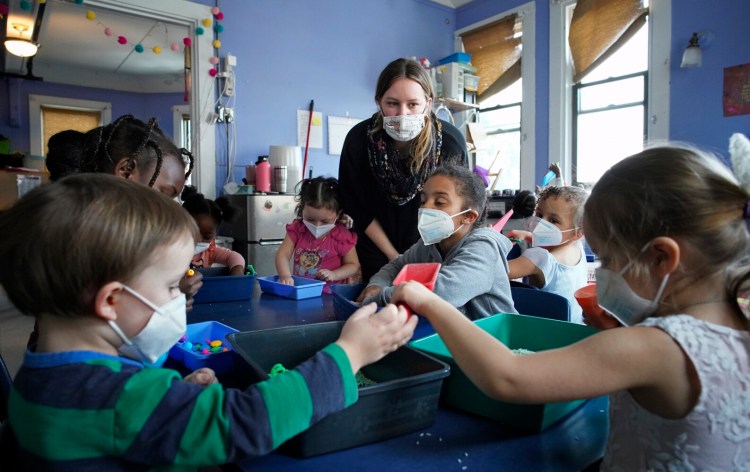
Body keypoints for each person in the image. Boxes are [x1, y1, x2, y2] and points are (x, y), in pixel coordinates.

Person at [0, 173, 417, 468]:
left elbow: (121, 433)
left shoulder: (37, 377)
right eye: (168, 286)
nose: (178, 300)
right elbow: (244, 421)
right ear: (110, 300)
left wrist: (174, 399)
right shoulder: (121, 397)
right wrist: (349, 353)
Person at [391, 145, 750, 470]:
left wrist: (428, 301)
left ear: (662, 257)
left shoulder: (656, 347)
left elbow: (509, 376)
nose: (602, 272)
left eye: (607, 258)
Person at [44, 114, 202, 308]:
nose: (170, 205)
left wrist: (172, 293)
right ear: (126, 171)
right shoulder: (88, 234)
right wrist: (170, 296)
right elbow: (108, 311)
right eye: (165, 193)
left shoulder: (123, 231)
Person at [338, 58, 468, 283]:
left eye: (413, 105)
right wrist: (393, 256)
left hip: (433, 245)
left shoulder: (450, 143)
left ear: (428, 103)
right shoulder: (358, 142)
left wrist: (427, 254)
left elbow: (457, 206)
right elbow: (357, 207)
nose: (403, 114)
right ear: (379, 101)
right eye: (392, 103)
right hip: (376, 250)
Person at [358, 165, 516, 320]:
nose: (426, 207)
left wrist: (377, 298)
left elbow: (444, 292)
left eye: (439, 202)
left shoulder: (483, 247)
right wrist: (377, 285)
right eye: (423, 200)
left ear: (468, 216)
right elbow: (397, 265)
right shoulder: (430, 244)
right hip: (453, 338)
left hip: (495, 340)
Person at [507, 186, 589, 323]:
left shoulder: (540, 257)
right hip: (575, 329)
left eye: (553, 221)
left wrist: (488, 240)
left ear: (577, 233)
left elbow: (495, 270)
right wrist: (527, 236)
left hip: (551, 336)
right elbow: (554, 238)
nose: (541, 224)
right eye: (539, 215)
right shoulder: (577, 247)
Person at [275, 177, 360, 293]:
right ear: (301, 209)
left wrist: (334, 274)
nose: (317, 225)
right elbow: (282, 255)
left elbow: (353, 265)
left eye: (325, 221)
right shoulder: (297, 229)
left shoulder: (342, 236)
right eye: (310, 219)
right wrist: (285, 276)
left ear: (338, 214)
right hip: (302, 293)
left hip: (330, 296)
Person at [182, 185, 246, 276]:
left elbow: (234, 257)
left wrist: (237, 272)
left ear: (214, 235)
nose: (199, 239)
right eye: (193, 232)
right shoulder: (169, 250)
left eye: (207, 237)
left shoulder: (209, 252)